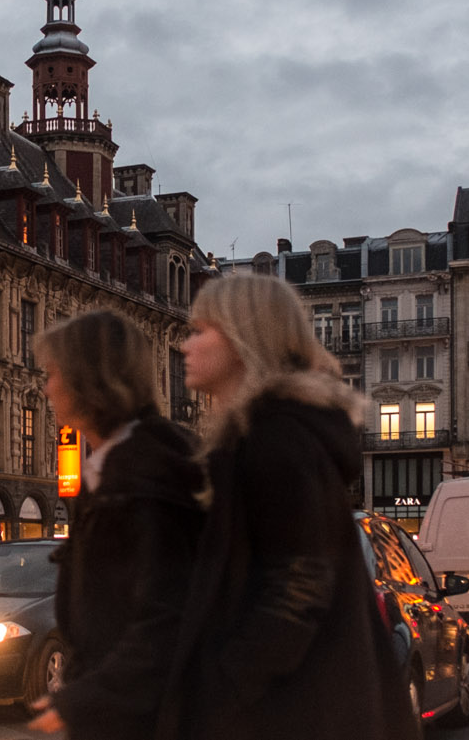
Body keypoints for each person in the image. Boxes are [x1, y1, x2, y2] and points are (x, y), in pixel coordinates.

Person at [156, 274, 420, 740]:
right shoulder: (264, 437)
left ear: (243, 338)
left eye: (200, 330)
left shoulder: (277, 441)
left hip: (295, 710)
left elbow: (297, 587)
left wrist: (220, 690)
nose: (185, 346)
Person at [24, 311, 203, 740]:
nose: (46, 388)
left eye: (53, 374)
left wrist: (88, 698)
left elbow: (164, 618)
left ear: (88, 380)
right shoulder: (116, 467)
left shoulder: (147, 474)